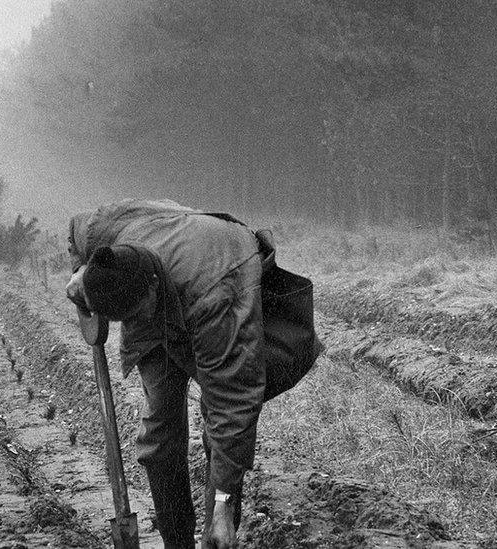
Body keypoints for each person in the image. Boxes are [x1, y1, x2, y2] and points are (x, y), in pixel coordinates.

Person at [65, 198, 314, 548]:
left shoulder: (215, 298)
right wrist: (80, 277)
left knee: (220, 419)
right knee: (159, 433)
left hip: (217, 268)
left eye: (139, 312)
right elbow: (79, 230)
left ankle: (219, 530)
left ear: (152, 287)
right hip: (165, 292)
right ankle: (176, 542)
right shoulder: (104, 235)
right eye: (127, 319)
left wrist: (223, 506)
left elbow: (234, 402)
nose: (135, 321)